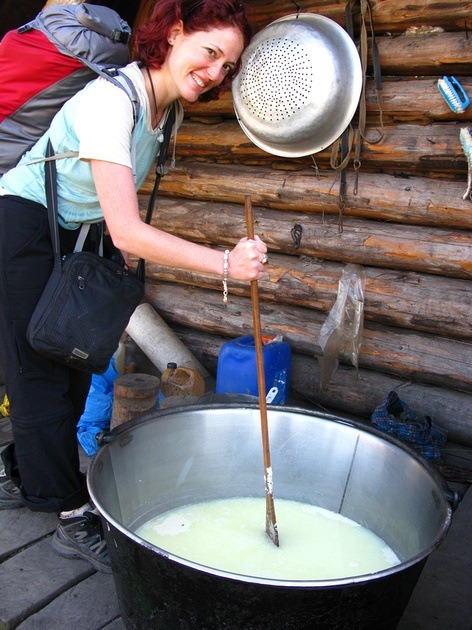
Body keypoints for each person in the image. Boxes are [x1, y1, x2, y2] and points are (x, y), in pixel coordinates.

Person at [0, 0, 267, 574]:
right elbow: (129, 226)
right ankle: (71, 516)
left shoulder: (162, 111)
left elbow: (111, 209)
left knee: (72, 361)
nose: (217, 71)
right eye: (210, 51)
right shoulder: (109, 101)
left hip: (74, 234)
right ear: (173, 35)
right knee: (38, 370)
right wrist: (224, 264)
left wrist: (116, 262)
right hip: (21, 223)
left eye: (229, 65)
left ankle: (19, 471)